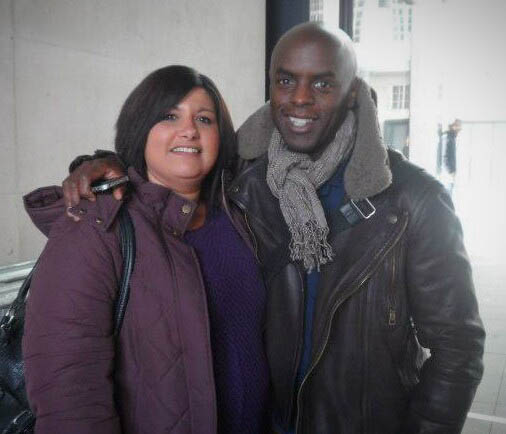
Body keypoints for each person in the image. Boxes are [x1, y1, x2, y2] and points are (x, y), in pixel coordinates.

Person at [59, 23, 485, 434]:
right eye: (285, 81)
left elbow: (458, 348)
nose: (299, 98)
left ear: (353, 92)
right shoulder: (243, 180)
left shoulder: (412, 200)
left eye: (322, 84)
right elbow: (165, 161)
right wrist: (101, 165)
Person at [22, 65, 270, 434]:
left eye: (204, 119)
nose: (189, 130)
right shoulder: (95, 228)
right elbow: (69, 394)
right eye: (169, 116)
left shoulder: (237, 216)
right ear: (140, 128)